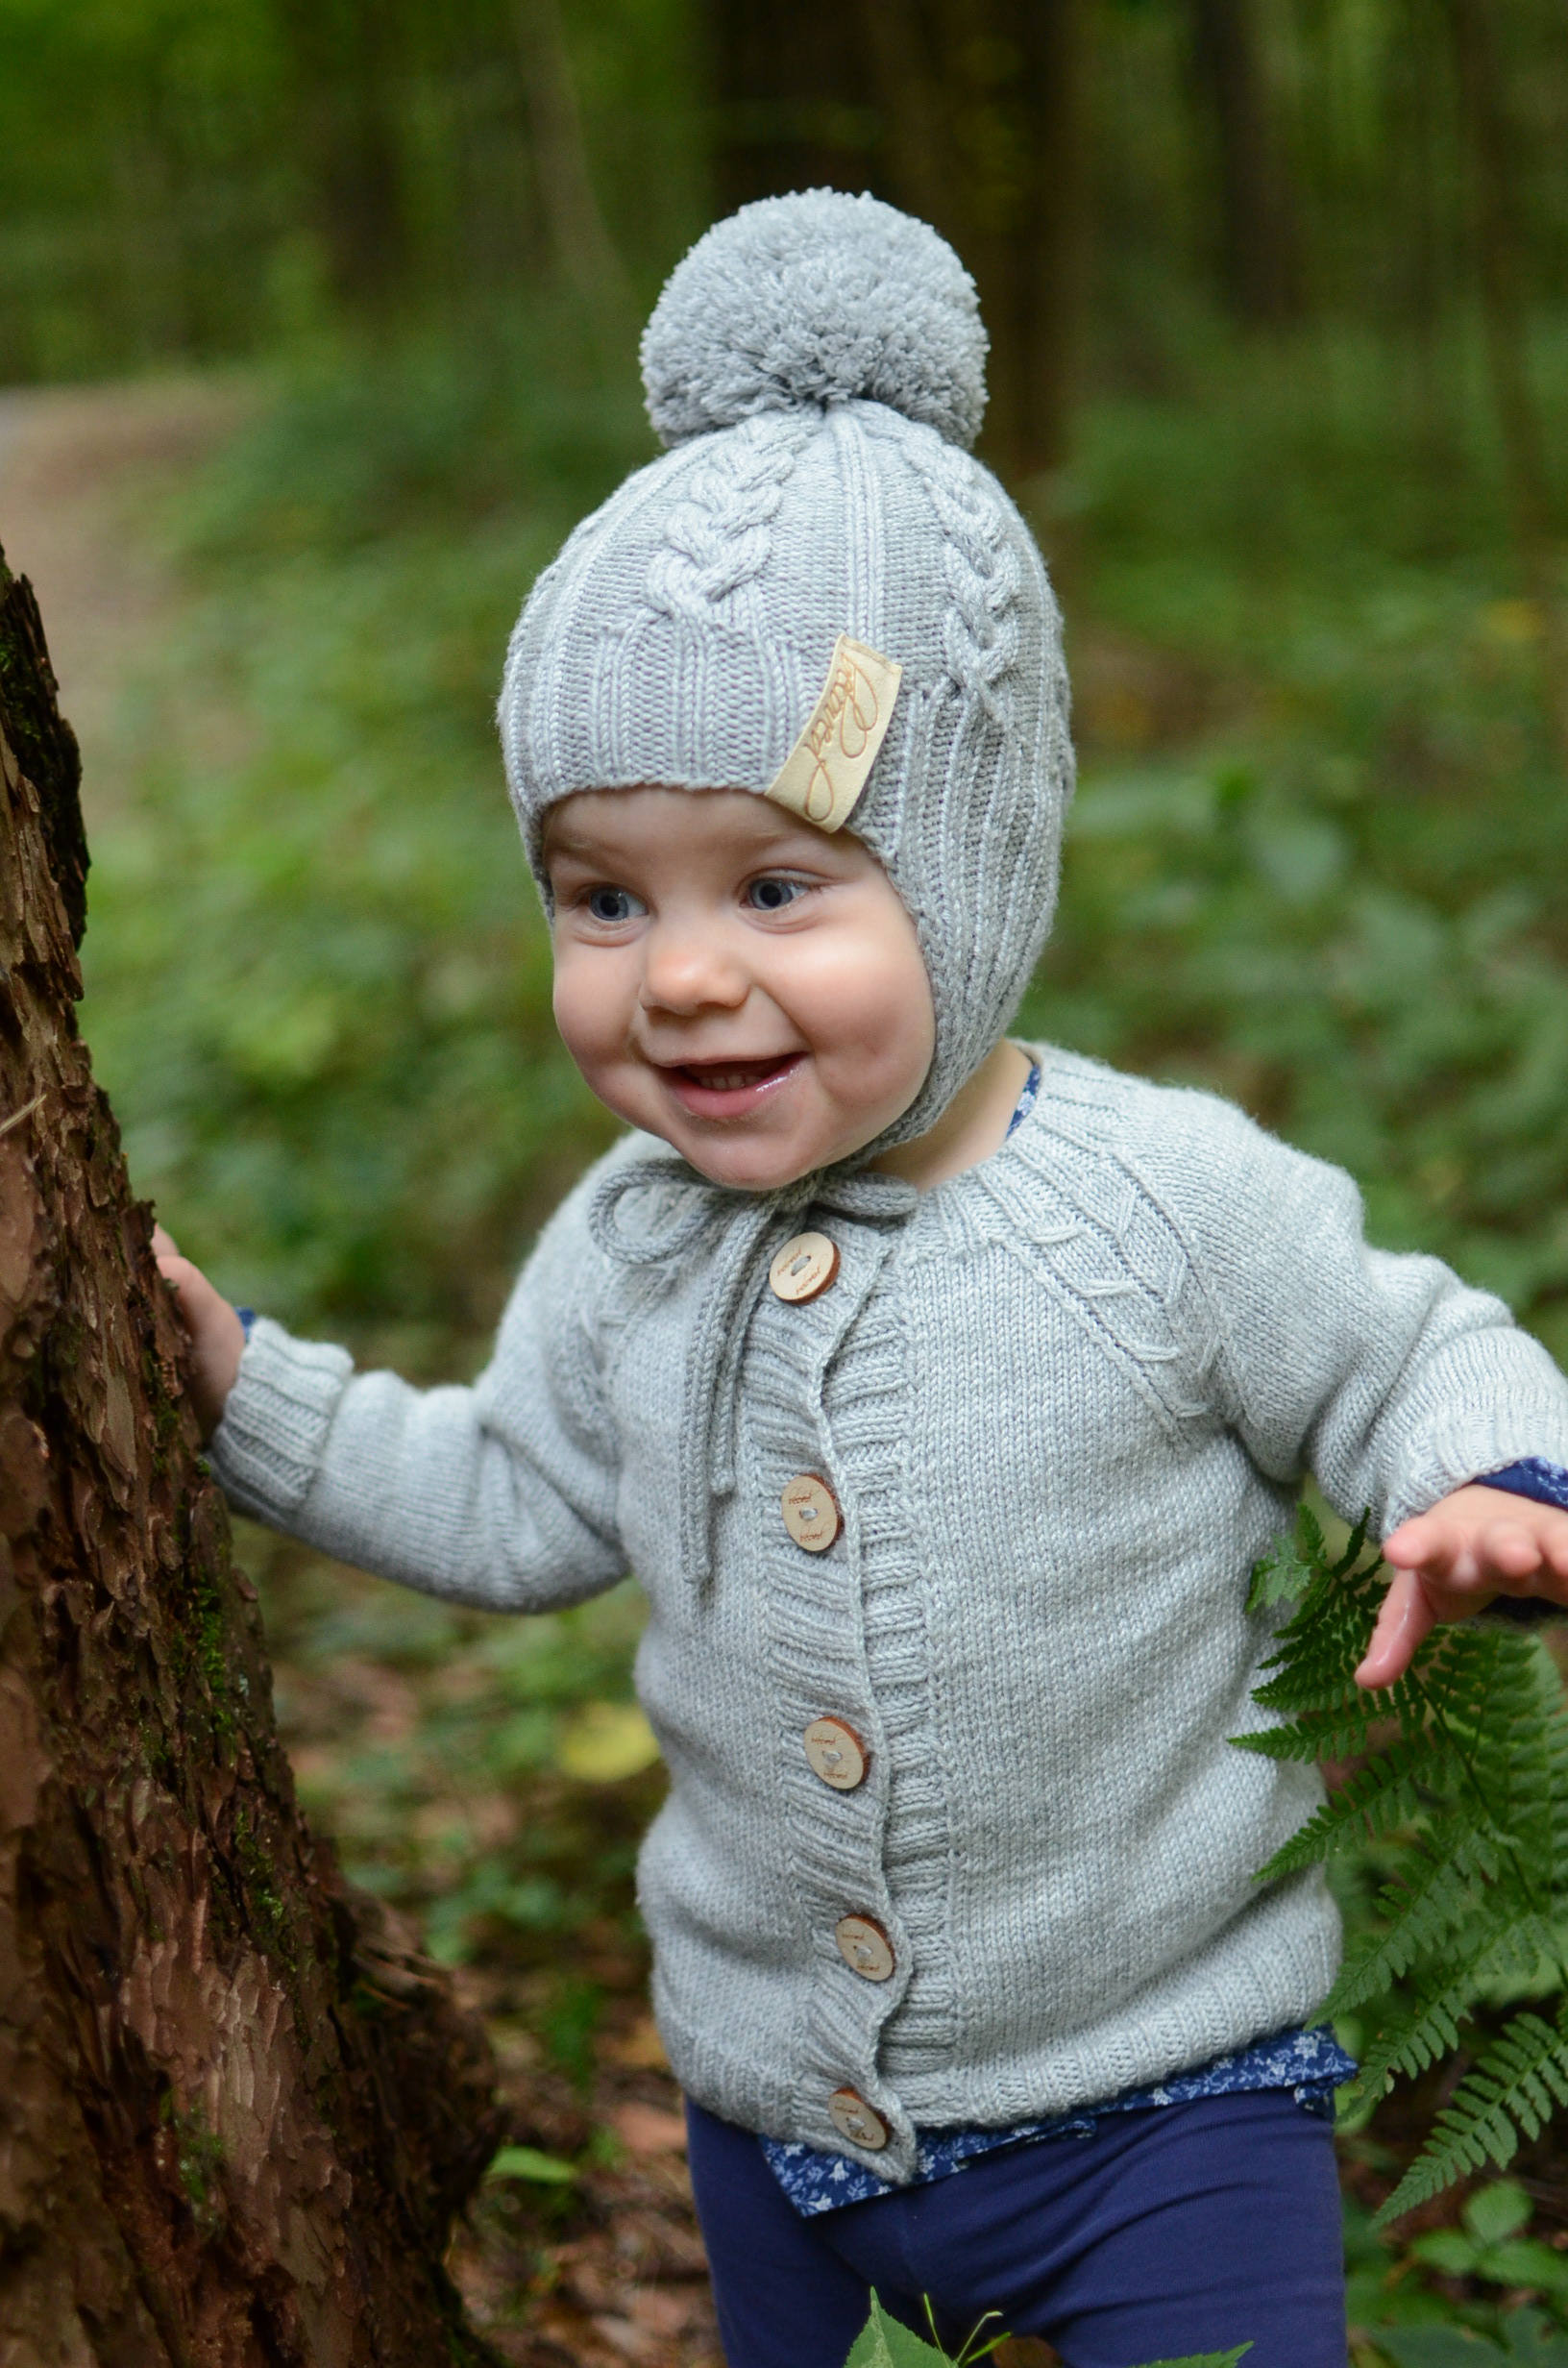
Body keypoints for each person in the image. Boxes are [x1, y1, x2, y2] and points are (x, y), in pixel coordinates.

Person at [155, 192, 1568, 2368]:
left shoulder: (1157, 1200)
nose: (687, 976)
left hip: (1173, 2109)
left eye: (781, 883)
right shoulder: (630, 1240)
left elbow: (1405, 1341)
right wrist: (240, 1388)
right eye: (602, 898)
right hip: (776, 2124)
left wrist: (1490, 1472)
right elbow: (517, 1497)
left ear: (975, 857)